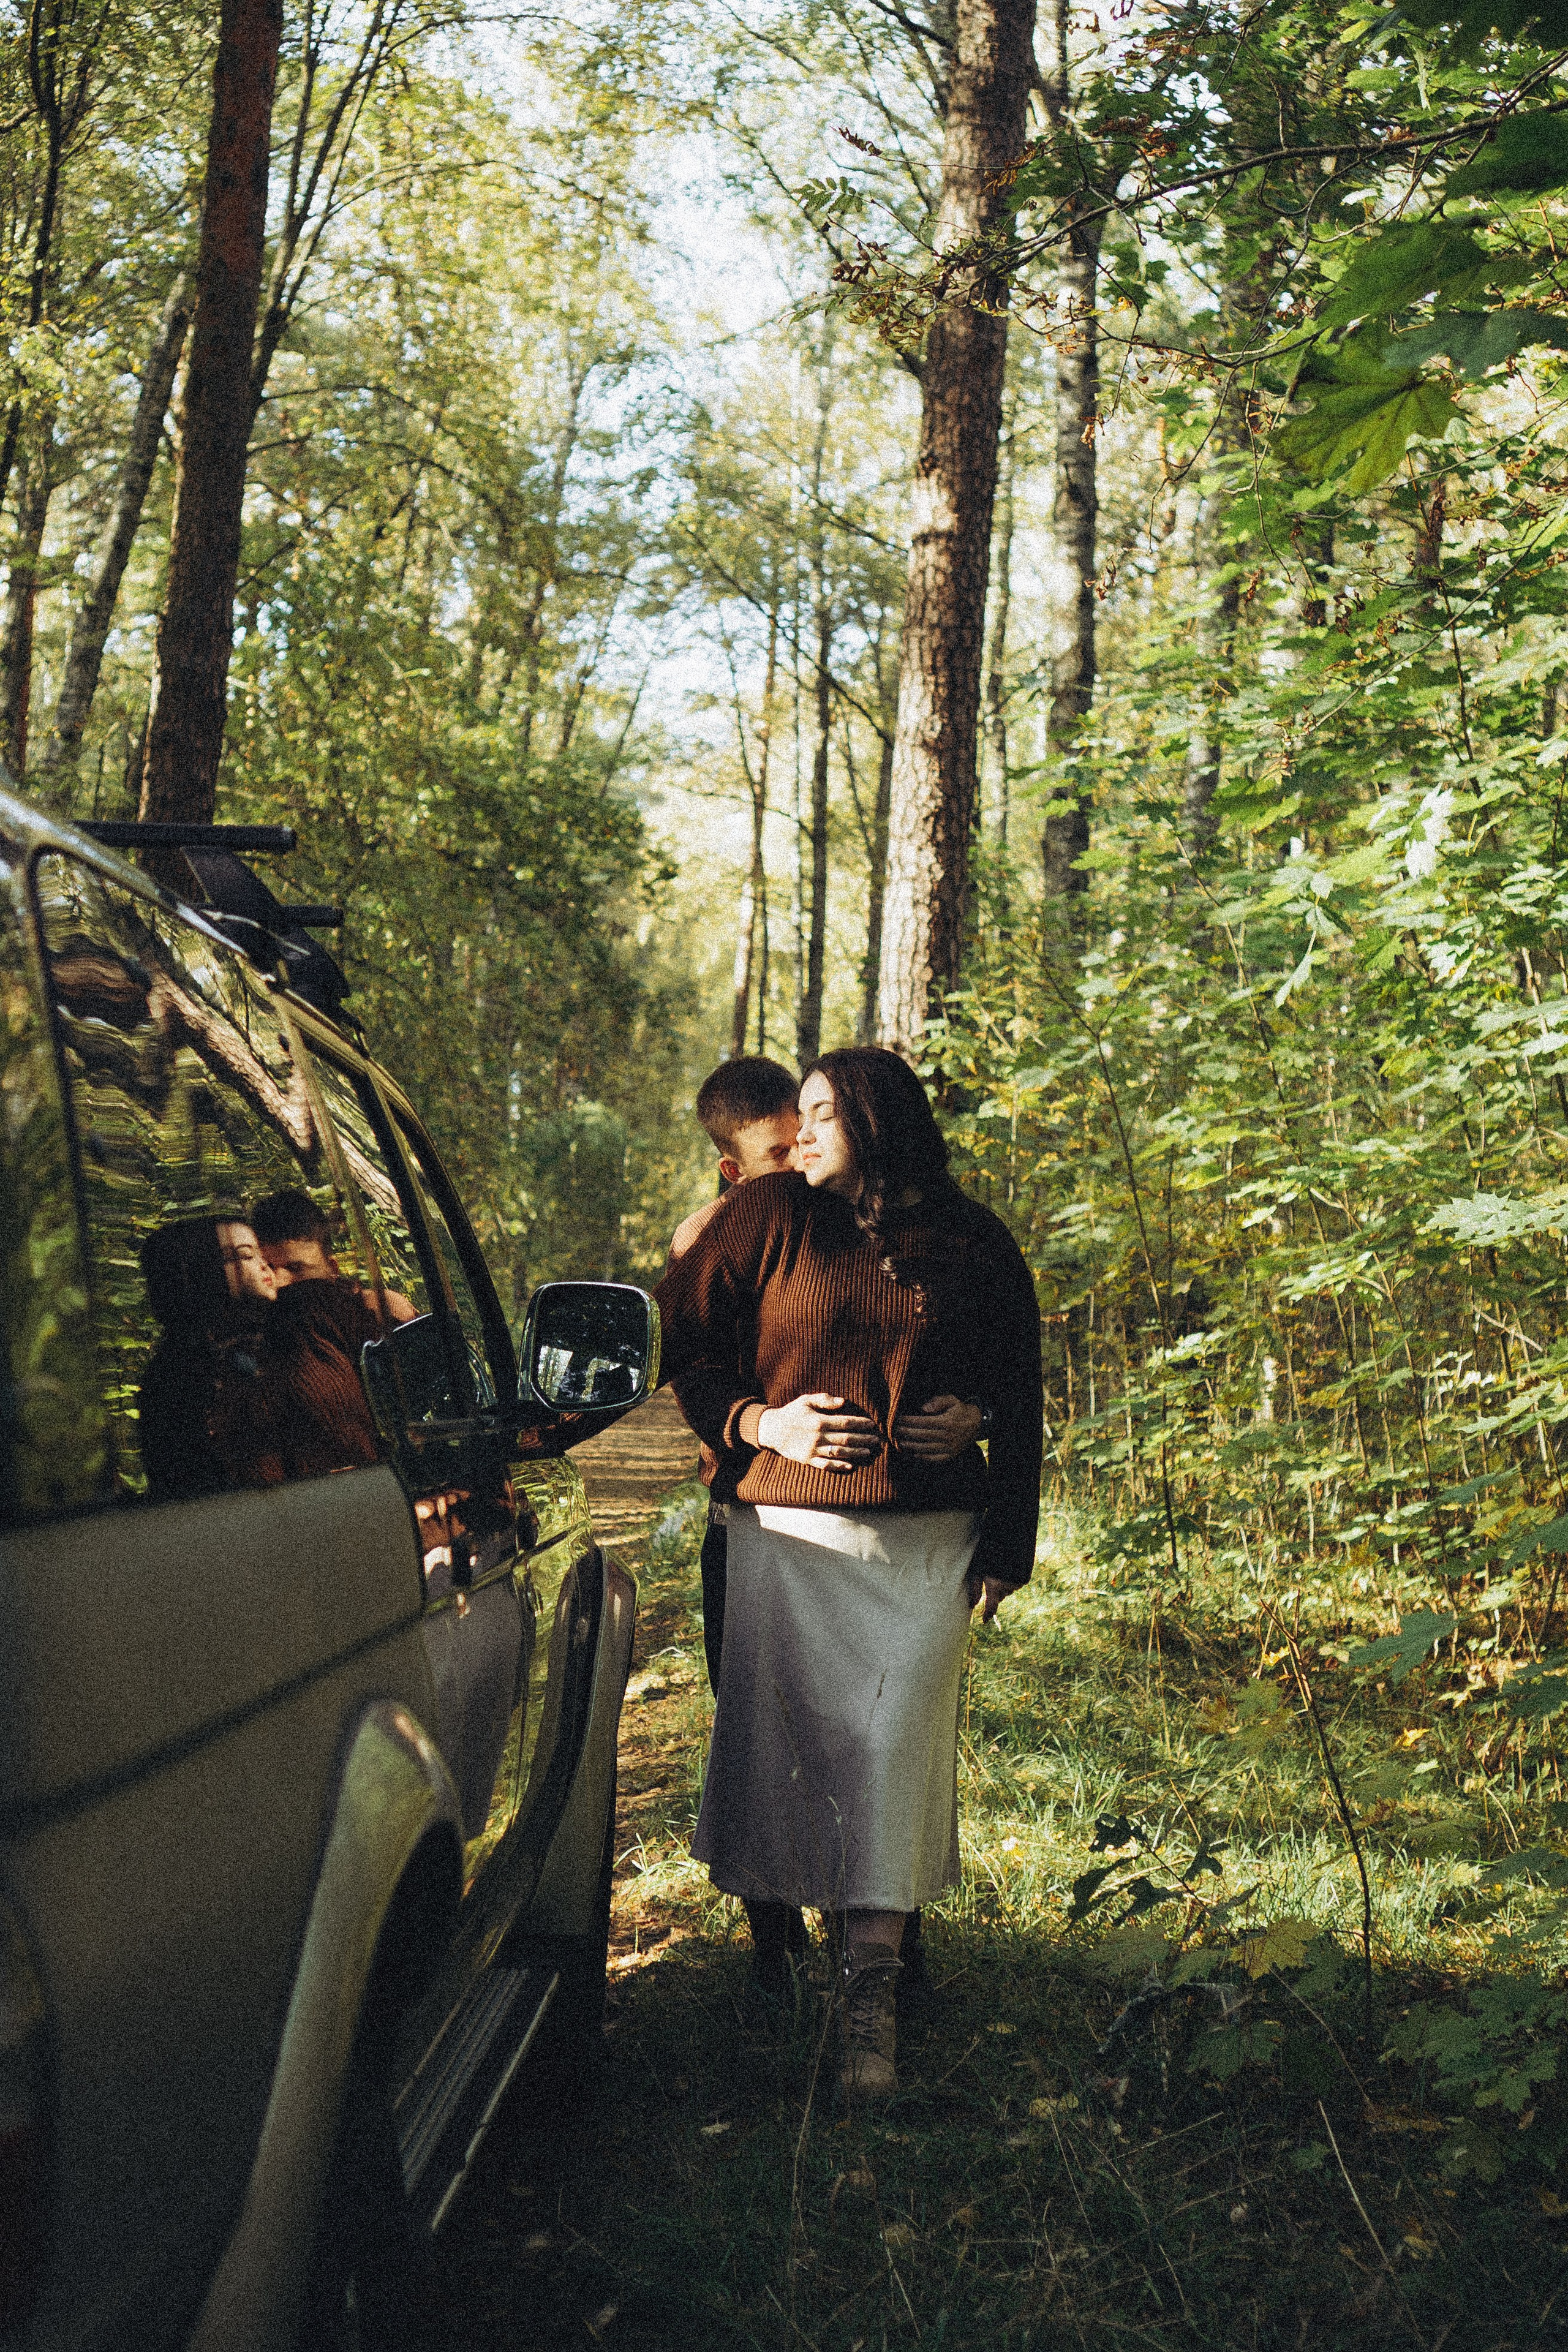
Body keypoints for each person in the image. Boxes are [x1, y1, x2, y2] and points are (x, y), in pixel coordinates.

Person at [655, 1047, 1043, 2102]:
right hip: (788, 1541)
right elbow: (683, 1345)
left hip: (927, 1547)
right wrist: (757, 1419)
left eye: (824, 1114)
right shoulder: (770, 1216)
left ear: (880, 1122)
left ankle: (868, 1999)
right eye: (802, 1117)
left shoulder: (969, 1239)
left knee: (887, 1754)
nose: (803, 1131)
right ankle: (787, 1956)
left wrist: (993, 1456)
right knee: (802, 1761)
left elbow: (1022, 1385)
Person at [138, 1215, 282, 1500]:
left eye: (261, 1254)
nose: (265, 1265)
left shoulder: (264, 1341)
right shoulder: (183, 1373)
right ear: (202, 1271)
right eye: (245, 1255)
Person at [250, 1188, 416, 1321]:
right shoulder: (262, 1330)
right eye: (269, 1267)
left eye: (296, 1269)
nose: (279, 1282)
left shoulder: (382, 1310)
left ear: (332, 1269)